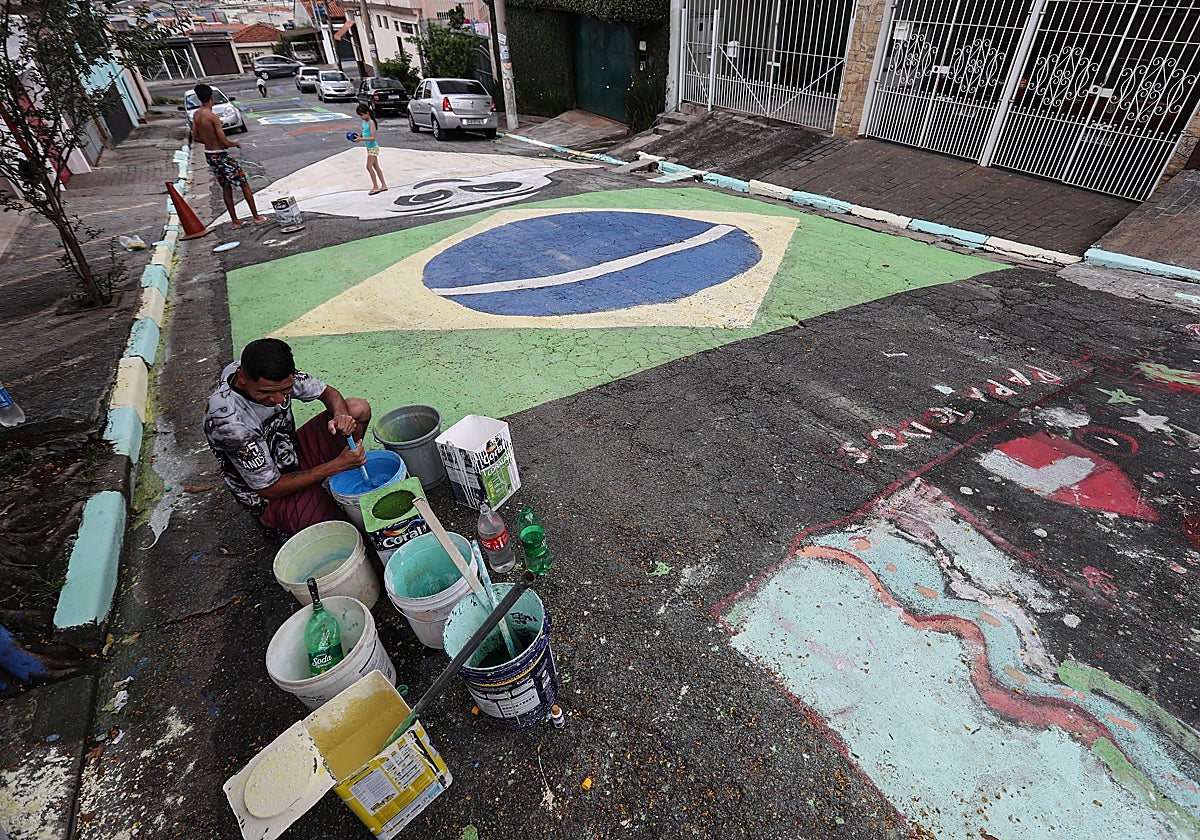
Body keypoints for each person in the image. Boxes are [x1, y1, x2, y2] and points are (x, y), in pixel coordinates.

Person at [204, 338, 371, 537]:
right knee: (336, 532)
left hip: (289, 453)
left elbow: (328, 393)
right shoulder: (229, 423)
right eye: (267, 393)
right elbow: (269, 488)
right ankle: (270, 517)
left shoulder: (266, 371)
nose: (279, 399)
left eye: (286, 390)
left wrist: (341, 416)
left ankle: (320, 483)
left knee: (356, 409)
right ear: (242, 378)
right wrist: (337, 465)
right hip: (268, 492)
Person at [191, 82, 266, 229]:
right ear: (211, 98)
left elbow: (195, 137)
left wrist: (208, 141)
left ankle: (235, 221)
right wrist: (235, 144)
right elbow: (224, 142)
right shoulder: (212, 117)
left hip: (209, 155)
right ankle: (256, 217)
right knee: (243, 183)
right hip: (220, 155)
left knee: (226, 186)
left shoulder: (197, 115)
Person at [353, 104, 388, 195]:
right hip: (369, 147)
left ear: (367, 113)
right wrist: (358, 136)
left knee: (368, 166)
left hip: (373, 147)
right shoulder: (364, 122)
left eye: (362, 115)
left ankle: (376, 186)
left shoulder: (371, 122)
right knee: (376, 167)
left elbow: (373, 137)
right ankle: (383, 185)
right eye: (360, 115)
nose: (361, 117)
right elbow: (363, 131)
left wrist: (361, 139)